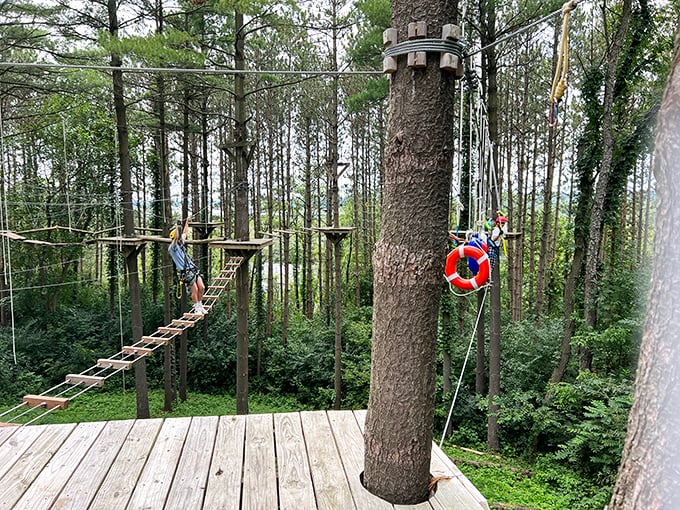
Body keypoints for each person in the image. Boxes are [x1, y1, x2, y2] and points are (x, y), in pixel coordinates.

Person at [169, 217, 207, 315]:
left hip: (193, 268)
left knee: (202, 287)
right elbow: (176, 236)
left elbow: (185, 233)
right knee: (195, 290)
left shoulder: (180, 243)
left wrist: (187, 222)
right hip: (186, 272)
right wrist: (177, 226)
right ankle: (196, 308)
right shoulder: (172, 248)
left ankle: (199, 305)